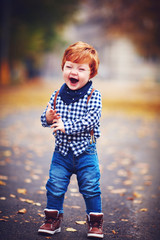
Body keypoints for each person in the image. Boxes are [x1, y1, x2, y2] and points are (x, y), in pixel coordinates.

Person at [38, 41, 104, 239]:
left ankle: (95, 223)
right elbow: (45, 118)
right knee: (55, 186)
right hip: (61, 153)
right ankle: (53, 219)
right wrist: (48, 117)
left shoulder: (94, 95)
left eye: (81, 69)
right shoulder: (57, 94)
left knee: (91, 187)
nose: (73, 72)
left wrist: (68, 126)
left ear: (90, 73)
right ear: (63, 68)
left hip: (86, 153)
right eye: (69, 67)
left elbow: (91, 119)